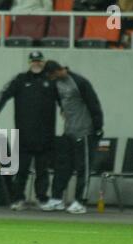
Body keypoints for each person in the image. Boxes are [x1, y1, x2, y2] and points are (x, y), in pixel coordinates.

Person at [0, 51, 58, 211]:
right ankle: (18, 198)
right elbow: (3, 93)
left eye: (39, 61)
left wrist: (66, 110)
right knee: (21, 170)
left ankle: (42, 198)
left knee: (42, 171)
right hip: (24, 135)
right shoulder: (20, 79)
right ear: (29, 62)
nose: (36, 63)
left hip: (45, 135)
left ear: (43, 62)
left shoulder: (50, 80)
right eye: (33, 61)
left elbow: (64, 97)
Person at [41, 61, 104, 214]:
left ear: (57, 71)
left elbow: (94, 104)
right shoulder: (57, 84)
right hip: (68, 132)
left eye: (52, 76)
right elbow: (59, 100)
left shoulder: (79, 82)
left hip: (85, 132)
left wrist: (97, 128)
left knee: (83, 168)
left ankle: (80, 201)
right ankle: (56, 199)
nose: (52, 80)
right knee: (62, 167)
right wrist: (63, 109)